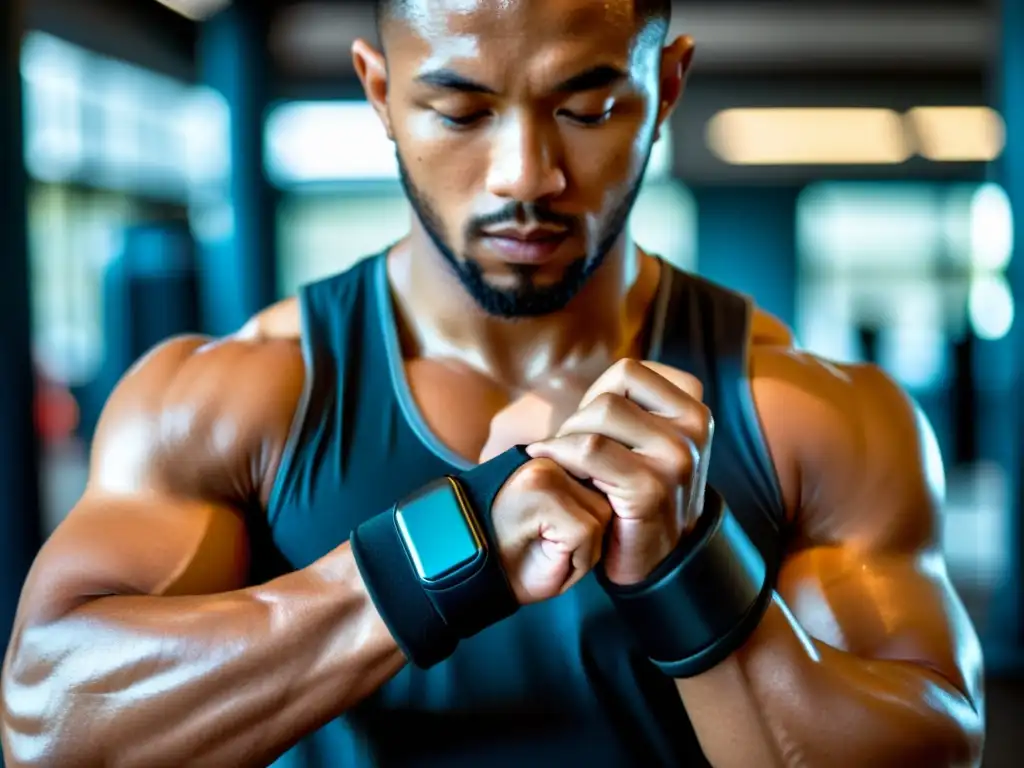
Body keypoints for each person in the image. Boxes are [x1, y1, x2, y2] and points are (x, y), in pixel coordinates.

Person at [1, 0, 984, 765]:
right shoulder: (240, 398)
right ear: (378, 91)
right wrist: (443, 557)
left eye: (588, 107)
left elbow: (934, 749)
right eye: (460, 109)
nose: (525, 175)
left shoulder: (808, 415)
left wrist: (694, 575)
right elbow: (50, 722)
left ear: (668, 87)